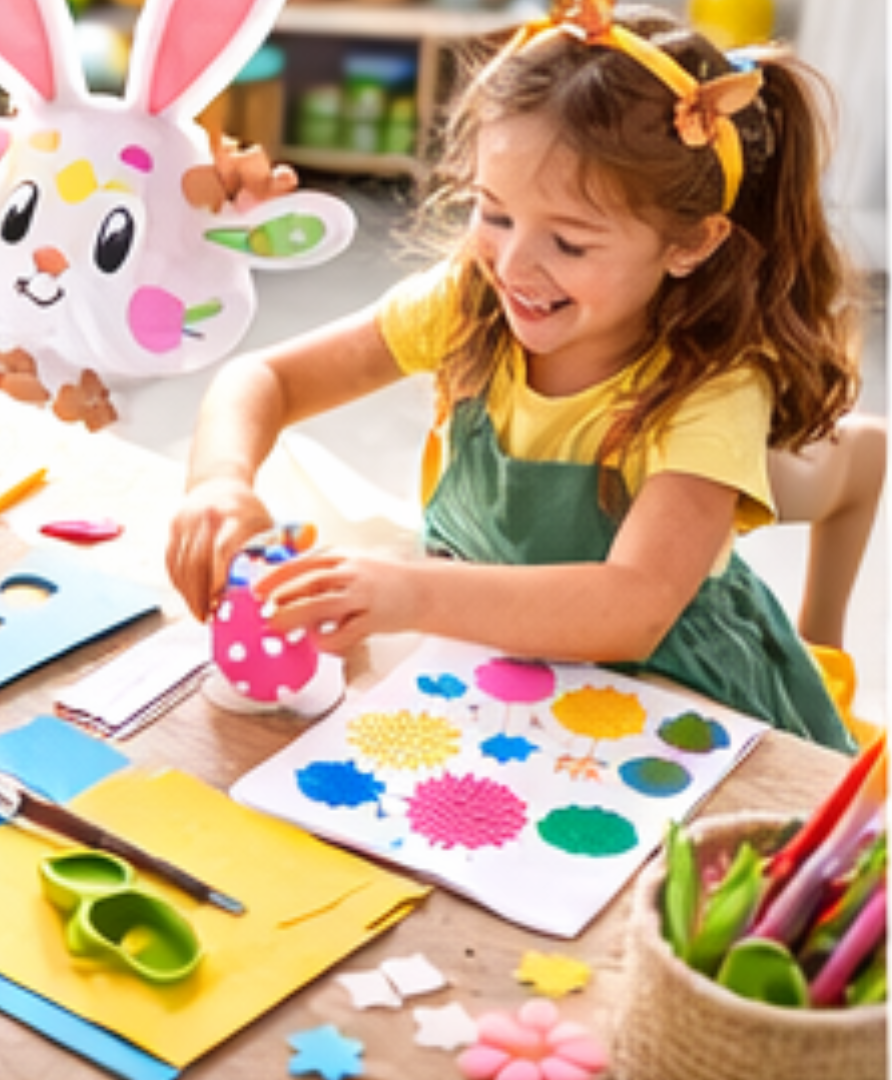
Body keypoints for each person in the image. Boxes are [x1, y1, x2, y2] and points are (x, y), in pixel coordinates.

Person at [166, 1, 874, 751]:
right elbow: (264, 380)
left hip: (665, 698)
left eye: (569, 243)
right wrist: (218, 482)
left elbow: (633, 606)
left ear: (690, 243)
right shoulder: (470, 303)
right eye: (495, 214)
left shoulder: (714, 389)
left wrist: (409, 591)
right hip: (490, 661)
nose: (513, 265)